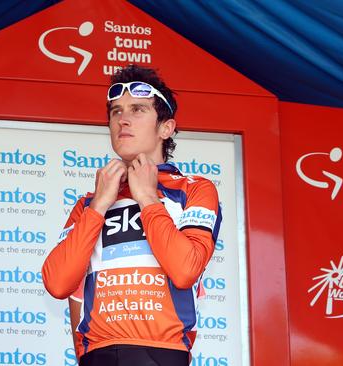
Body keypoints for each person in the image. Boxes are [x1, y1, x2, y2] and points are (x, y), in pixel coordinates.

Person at [42, 64, 221, 366]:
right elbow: (59, 283)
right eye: (115, 112)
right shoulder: (90, 203)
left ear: (166, 128)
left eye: (138, 110)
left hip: (160, 352)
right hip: (97, 355)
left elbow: (185, 270)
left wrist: (148, 199)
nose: (123, 119)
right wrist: (99, 207)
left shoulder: (195, 190)